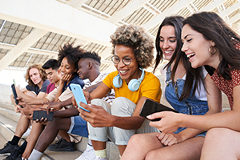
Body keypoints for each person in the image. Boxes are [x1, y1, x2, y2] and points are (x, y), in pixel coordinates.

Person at [121, 16, 221, 160]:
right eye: (161, 40)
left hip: (204, 131)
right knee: (136, 141)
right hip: (178, 129)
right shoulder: (165, 70)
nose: (164, 45)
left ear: (184, 40)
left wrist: (181, 135)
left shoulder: (204, 69)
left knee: (155, 157)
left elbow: (215, 112)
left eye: (172, 40)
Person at [145, 11, 240, 160]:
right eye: (183, 42)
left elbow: (237, 117)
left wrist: (180, 120)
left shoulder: (237, 57)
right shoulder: (213, 75)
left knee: (217, 136)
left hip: (203, 131)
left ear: (212, 38)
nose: (183, 48)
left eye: (189, 40)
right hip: (198, 130)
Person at [77, 24, 161, 160]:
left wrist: (111, 120)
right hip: (121, 131)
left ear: (140, 58)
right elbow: (92, 98)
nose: (120, 65)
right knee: (96, 103)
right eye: (117, 59)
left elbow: (138, 122)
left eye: (127, 59)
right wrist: (85, 99)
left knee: (120, 102)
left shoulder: (151, 81)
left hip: (147, 133)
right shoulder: (113, 77)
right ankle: (100, 157)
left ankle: (125, 157)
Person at [27, 50, 115, 160]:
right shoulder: (86, 84)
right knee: (55, 121)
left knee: (96, 105)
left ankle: (93, 149)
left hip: (106, 123)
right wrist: (54, 114)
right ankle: (32, 158)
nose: (78, 71)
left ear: (89, 65)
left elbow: (99, 88)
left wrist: (61, 104)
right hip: (90, 123)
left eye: (79, 67)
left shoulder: (107, 77)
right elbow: (78, 109)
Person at [0, 64, 50, 158]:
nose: (33, 77)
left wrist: (22, 98)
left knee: (28, 95)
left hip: (46, 110)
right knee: (26, 98)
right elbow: (13, 95)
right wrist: (17, 105)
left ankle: (19, 148)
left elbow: (37, 102)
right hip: (39, 109)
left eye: (35, 74)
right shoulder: (33, 85)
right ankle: (13, 143)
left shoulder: (46, 83)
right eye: (31, 76)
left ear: (41, 73)